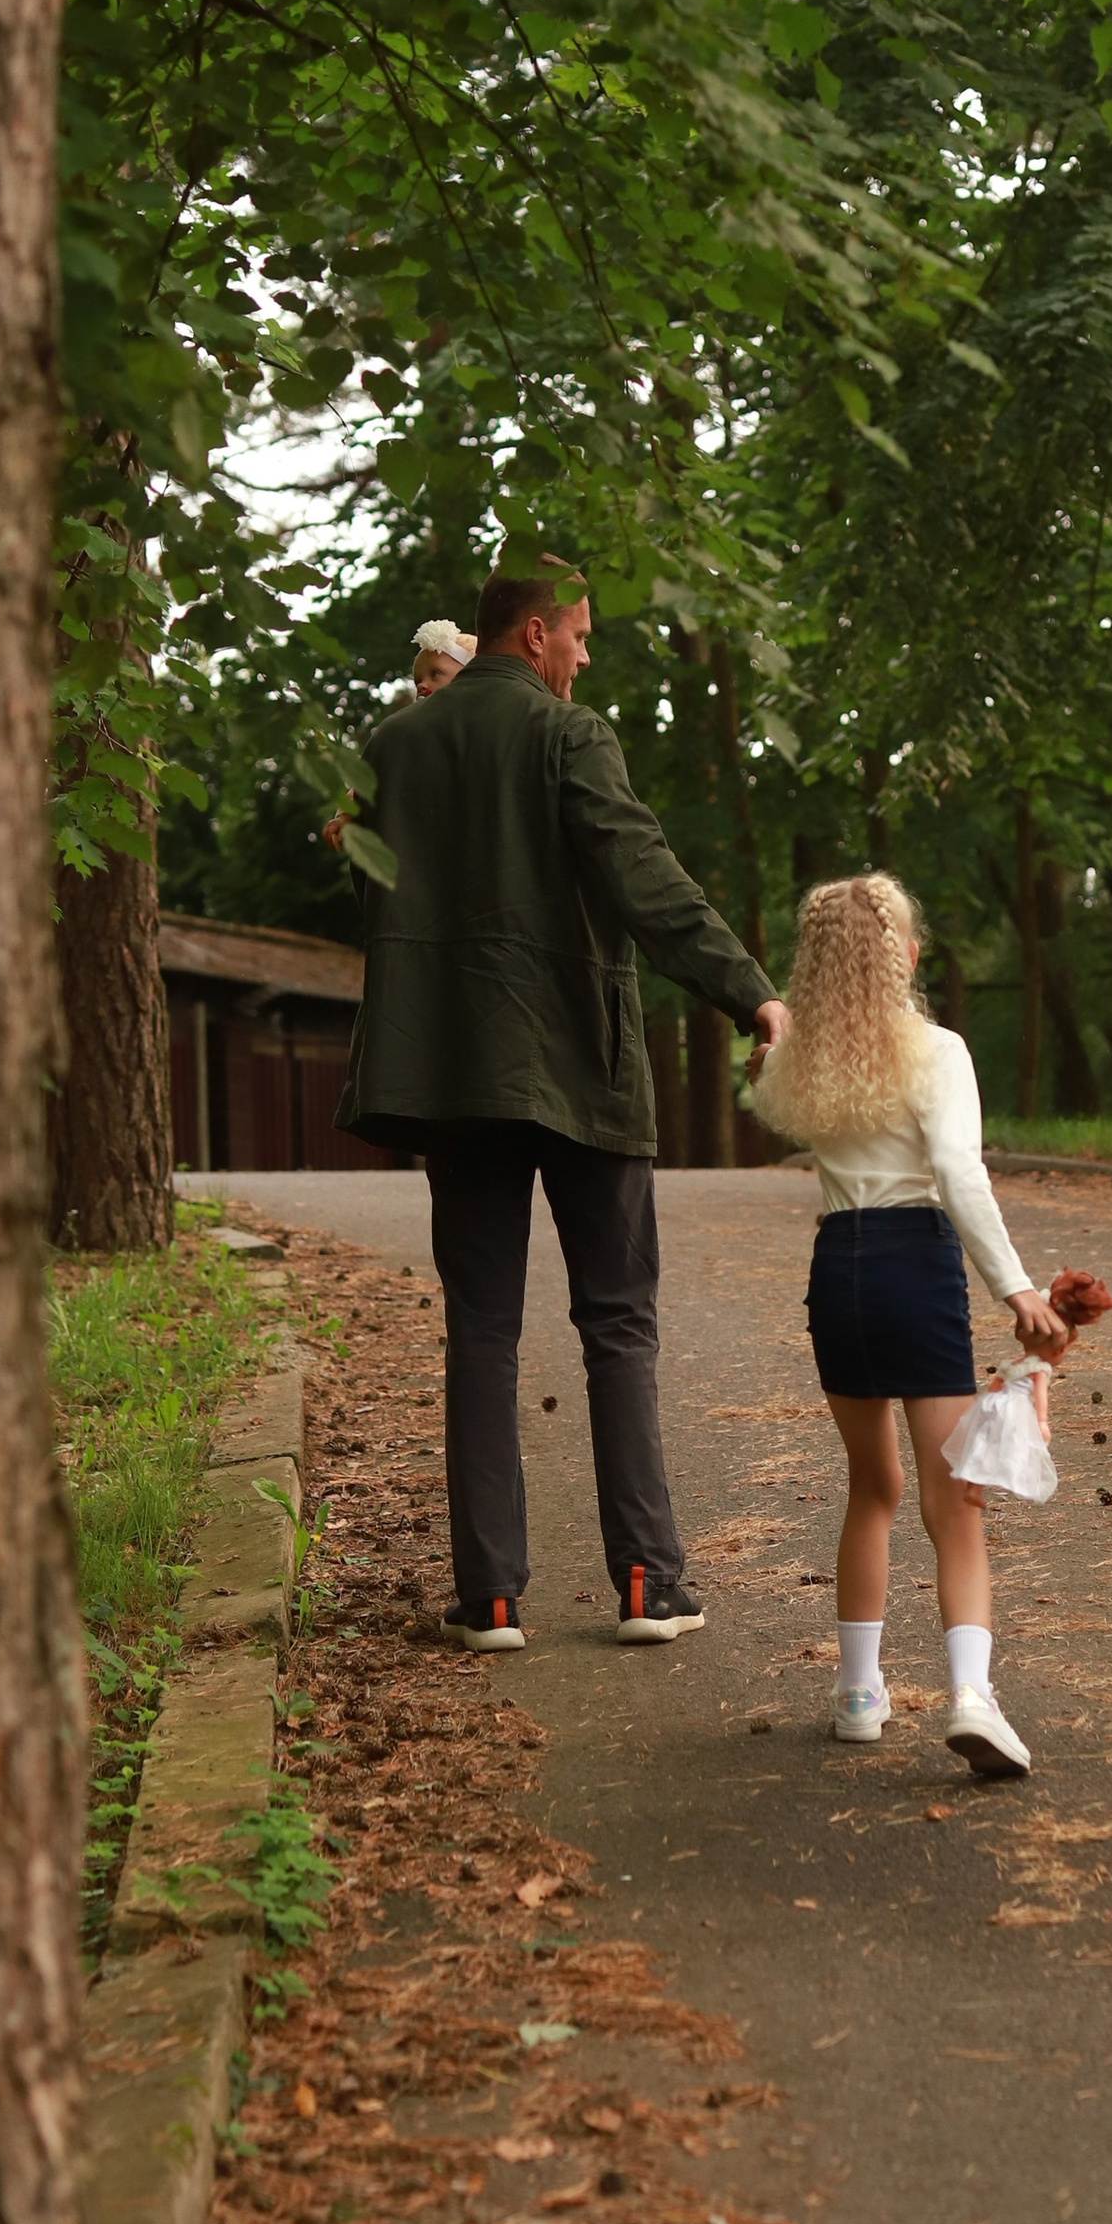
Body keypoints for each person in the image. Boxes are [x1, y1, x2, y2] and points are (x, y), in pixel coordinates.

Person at [340, 557, 788, 1653]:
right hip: (581, 1066)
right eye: (580, 636)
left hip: (454, 1074)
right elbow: (643, 880)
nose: (586, 656)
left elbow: (370, 889)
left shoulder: (394, 746)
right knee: (618, 1325)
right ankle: (645, 1583)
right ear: (535, 633)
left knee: (482, 1332)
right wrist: (750, 992)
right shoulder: (566, 736)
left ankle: (490, 1597)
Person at [749, 873, 1065, 1777]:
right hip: (917, 1266)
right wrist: (1016, 1289)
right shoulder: (939, 1050)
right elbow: (961, 1178)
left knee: (872, 1488)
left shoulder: (799, 1062)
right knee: (953, 1502)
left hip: (837, 1270)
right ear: (909, 956)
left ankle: (858, 1693)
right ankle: (971, 1698)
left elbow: (765, 1092)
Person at [322, 620, 479, 859]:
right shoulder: (409, 736)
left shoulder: (485, 725)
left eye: (435, 674)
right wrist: (346, 816)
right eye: (417, 681)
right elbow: (368, 783)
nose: (422, 685)